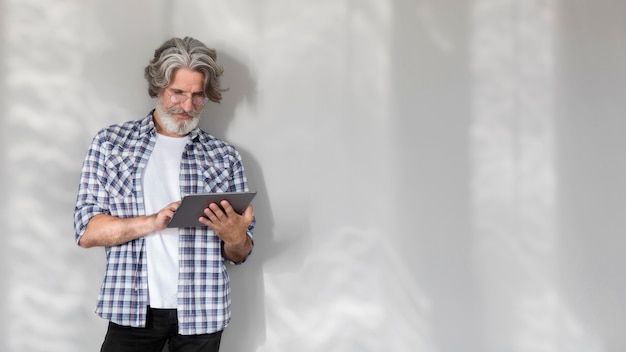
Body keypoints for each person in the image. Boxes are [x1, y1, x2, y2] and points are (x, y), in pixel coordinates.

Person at [73, 36, 255, 352]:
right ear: (158, 88)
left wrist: (235, 237)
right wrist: (152, 222)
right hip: (132, 310)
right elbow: (87, 232)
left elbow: (240, 253)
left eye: (198, 96)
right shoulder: (111, 145)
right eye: (178, 93)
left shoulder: (225, 157)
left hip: (203, 313)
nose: (187, 106)